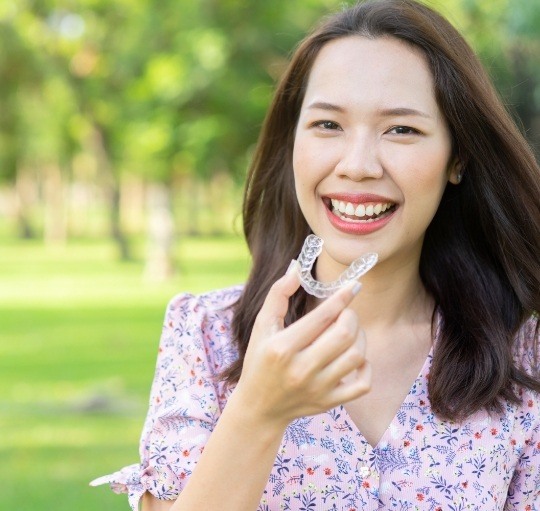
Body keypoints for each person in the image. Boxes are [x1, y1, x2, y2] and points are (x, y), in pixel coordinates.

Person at [90, 0, 540, 509]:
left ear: (457, 157)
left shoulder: (523, 357)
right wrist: (258, 410)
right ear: (292, 144)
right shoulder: (205, 337)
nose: (358, 165)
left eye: (402, 129)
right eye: (328, 125)